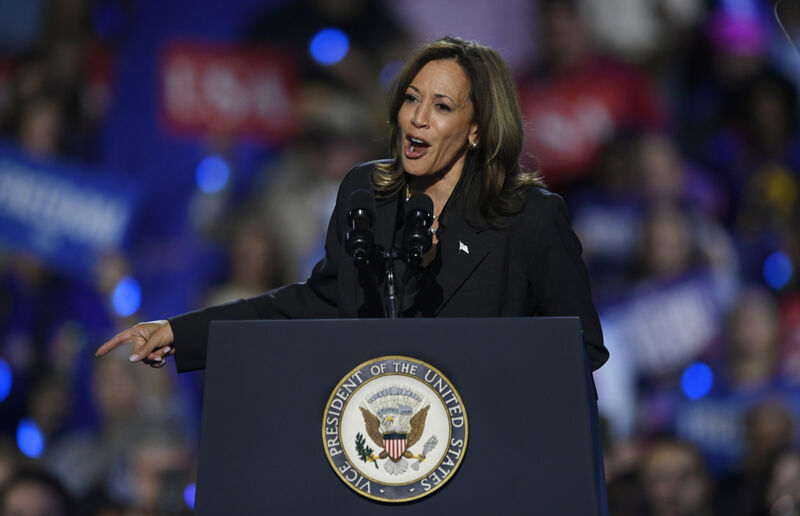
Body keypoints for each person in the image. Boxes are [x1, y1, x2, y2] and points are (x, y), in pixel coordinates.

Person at [96, 36, 609, 374]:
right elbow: (313, 303)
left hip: (489, 452)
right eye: (411, 99)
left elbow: (582, 348)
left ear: (478, 129)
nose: (417, 119)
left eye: (442, 106)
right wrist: (179, 332)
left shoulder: (529, 217)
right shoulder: (368, 194)